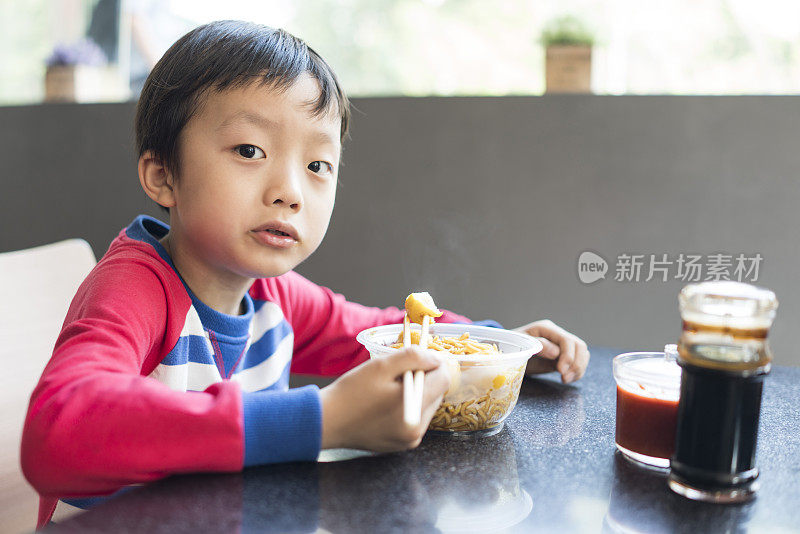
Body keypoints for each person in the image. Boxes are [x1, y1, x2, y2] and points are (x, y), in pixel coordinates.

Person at [20, 20, 589, 528]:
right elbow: (60, 433)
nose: (289, 191)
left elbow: (386, 334)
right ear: (163, 175)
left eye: (317, 165)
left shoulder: (276, 297)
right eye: (248, 150)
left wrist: (500, 349)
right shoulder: (137, 288)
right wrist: (321, 419)